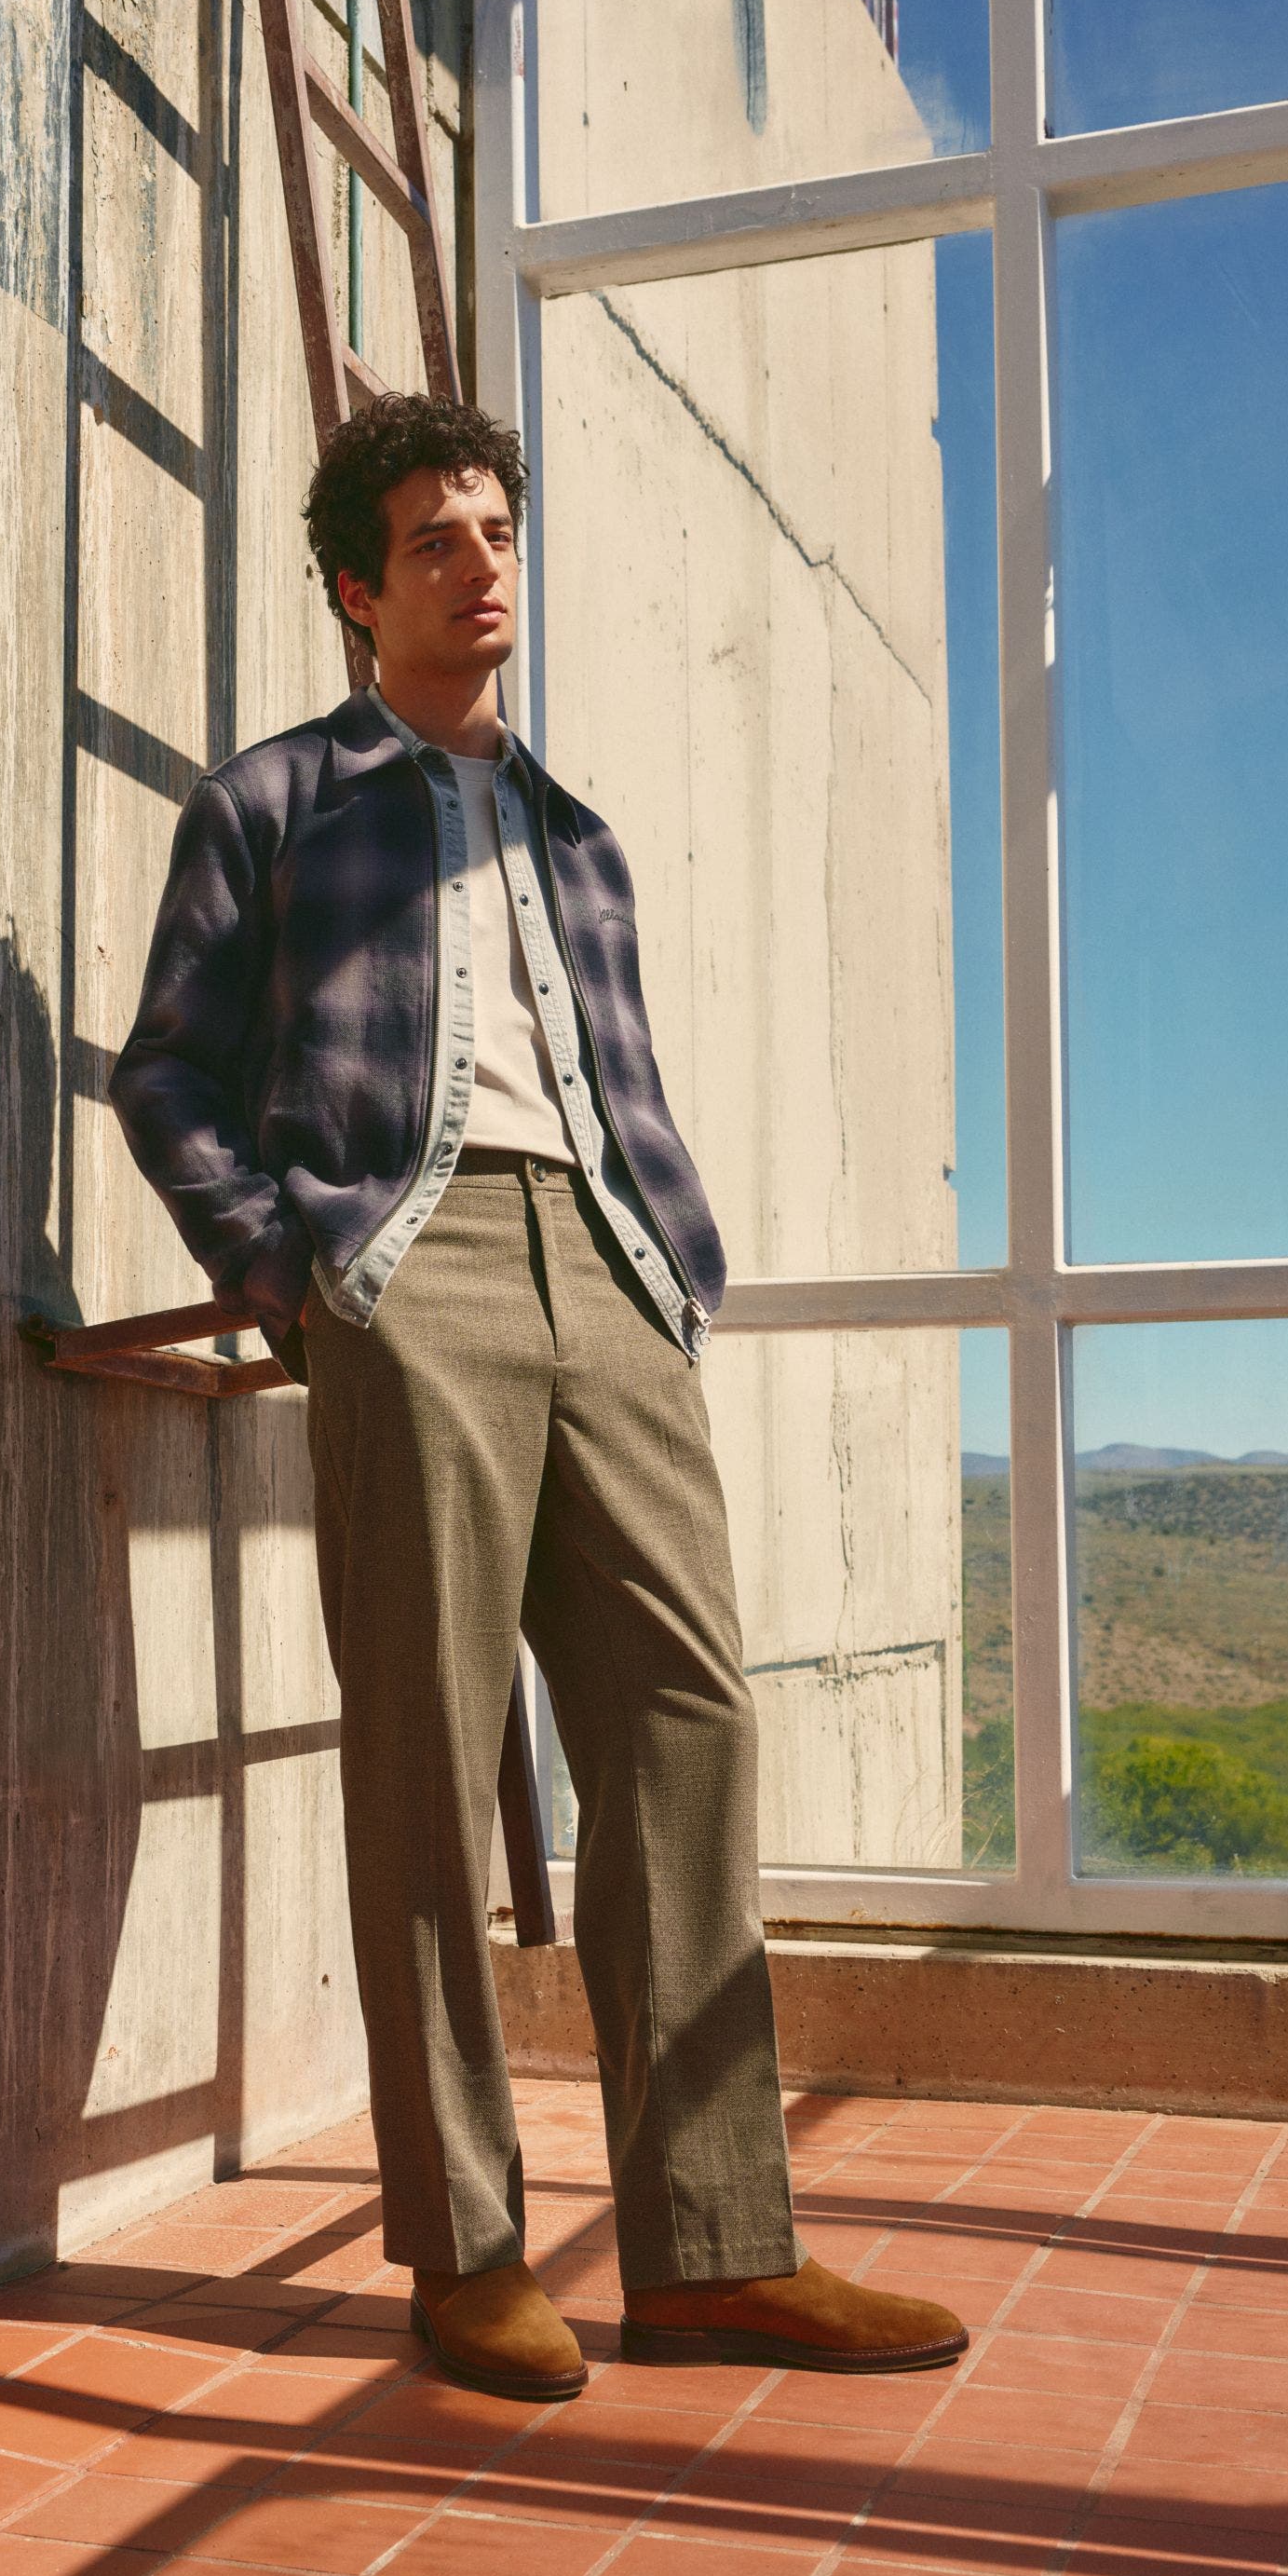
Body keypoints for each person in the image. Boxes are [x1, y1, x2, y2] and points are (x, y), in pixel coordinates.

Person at [111, 392, 966, 2400]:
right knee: (429, 1744)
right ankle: (470, 2246)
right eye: (434, 540)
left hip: (614, 1271)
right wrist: (295, 1267)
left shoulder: (574, 835)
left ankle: (713, 2248)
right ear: (356, 588)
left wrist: (676, 1267)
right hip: (410, 1274)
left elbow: (611, 1078)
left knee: (687, 1719)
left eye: (496, 532)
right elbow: (161, 1072)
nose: (480, 564)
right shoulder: (272, 804)